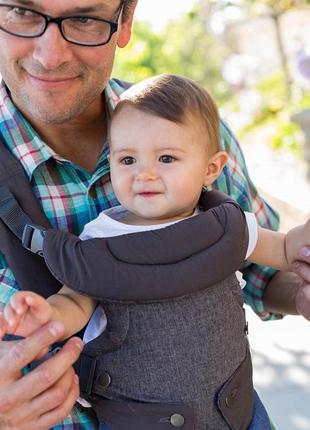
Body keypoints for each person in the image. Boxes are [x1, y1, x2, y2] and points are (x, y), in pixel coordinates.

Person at [0, 1, 309, 429]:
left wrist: (301, 278)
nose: (50, 54)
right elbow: (77, 297)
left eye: (85, 18)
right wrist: (45, 318)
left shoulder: (193, 131)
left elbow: (271, 262)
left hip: (237, 413)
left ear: (125, 21)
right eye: (22, 11)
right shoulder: (102, 237)